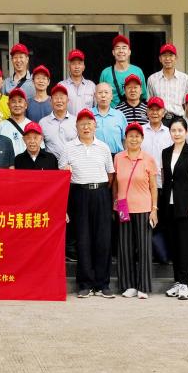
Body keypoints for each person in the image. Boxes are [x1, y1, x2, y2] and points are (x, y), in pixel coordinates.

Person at [61, 109, 115, 298]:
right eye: (82, 124)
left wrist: (101, 190)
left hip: (101, 194)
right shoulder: (68, 147)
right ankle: (85, 284)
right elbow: (62, 173)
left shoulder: (104, 147)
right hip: (79, 194)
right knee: (83, 239)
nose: (86, 127)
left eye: (89, 123)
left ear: (95, 126)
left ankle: (102, 284)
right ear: (76, 126)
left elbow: (110, 174)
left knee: (103, 240)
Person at [159, 116, 188, 301]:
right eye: (173, 130)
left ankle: (184, 284)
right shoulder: (165, 152)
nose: (176, 133)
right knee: (174, 245)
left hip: (186, 205)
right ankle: (177, 282)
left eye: (180, 130)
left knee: (185, 245)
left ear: (186, 132)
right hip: (168, 206)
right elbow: (165, 178)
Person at [114, 122, 158, 298]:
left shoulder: (148, 159)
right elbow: (115, 183)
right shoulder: (118, 158)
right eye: (130, 136)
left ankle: (143, 287)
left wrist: (154, 209)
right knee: (125, 248)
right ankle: (129, 285)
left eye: (137, 136)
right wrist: (115, 202)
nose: (134, 139)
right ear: (125, 138)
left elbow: (154, 187)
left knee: (144, 248)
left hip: (144, 208)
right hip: (124, 208)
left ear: (142, 138)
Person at [140, 97, 173, 264]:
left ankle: (162, 254)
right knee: (145, 220)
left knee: (163, 219)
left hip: (163, 183)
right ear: (147, 111)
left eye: (158, 109)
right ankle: (147, 253)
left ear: (163, 112)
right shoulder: (140, 131)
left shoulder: (170, 133)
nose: (154, 112)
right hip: (142, 185)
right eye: (151, 109)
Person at [99, 34, 147, 109]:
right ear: (113, 52)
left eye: (124, 48)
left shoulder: (138, 71)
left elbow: (143, 96)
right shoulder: (105, 73)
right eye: (117, 48)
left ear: (129, 52)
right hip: (112, 114)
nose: (121, 51)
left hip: (133, 113)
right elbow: (100, 96)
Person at [146, 44, 188, 119]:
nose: (167, 58)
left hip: (179, 119)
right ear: (160, 59)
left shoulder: (185, 78)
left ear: (176, 58)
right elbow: (149, 103)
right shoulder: (152, 79)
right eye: (164, 55)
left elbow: (186, 103)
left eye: (171, 55)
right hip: (159, 119)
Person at [39, 83, 77, 163]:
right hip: (50, 166)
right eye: (56, 98)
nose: (59, 101)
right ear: (51, 101)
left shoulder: (76, 121)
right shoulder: (43, 122)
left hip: (72, 165)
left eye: (62, 97)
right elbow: (40, 147)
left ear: (67, 100)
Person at [92, 82, 127, 155]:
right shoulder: (89, 115)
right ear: (95, 96)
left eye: (106, 92)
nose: (103, 95)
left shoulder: (119, 115)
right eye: (100, 92)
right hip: (94, 157)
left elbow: (125, 140)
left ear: (111, 96)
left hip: (117, 156)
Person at [59, 49, 96, 115]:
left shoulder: (91, 86)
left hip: (87, 122)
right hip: (67, 121)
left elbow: (97, 109)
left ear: (83, 67)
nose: (76, 67)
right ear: (69, 66)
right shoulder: (61, 85)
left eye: (79, 63)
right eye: (73, 63)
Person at [0, 87, 31, 156]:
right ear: (8, 105)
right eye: (13, 101)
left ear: (26, 105)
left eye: (20, 101)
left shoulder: (32, 126)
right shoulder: (0, 127)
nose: (17, 105)